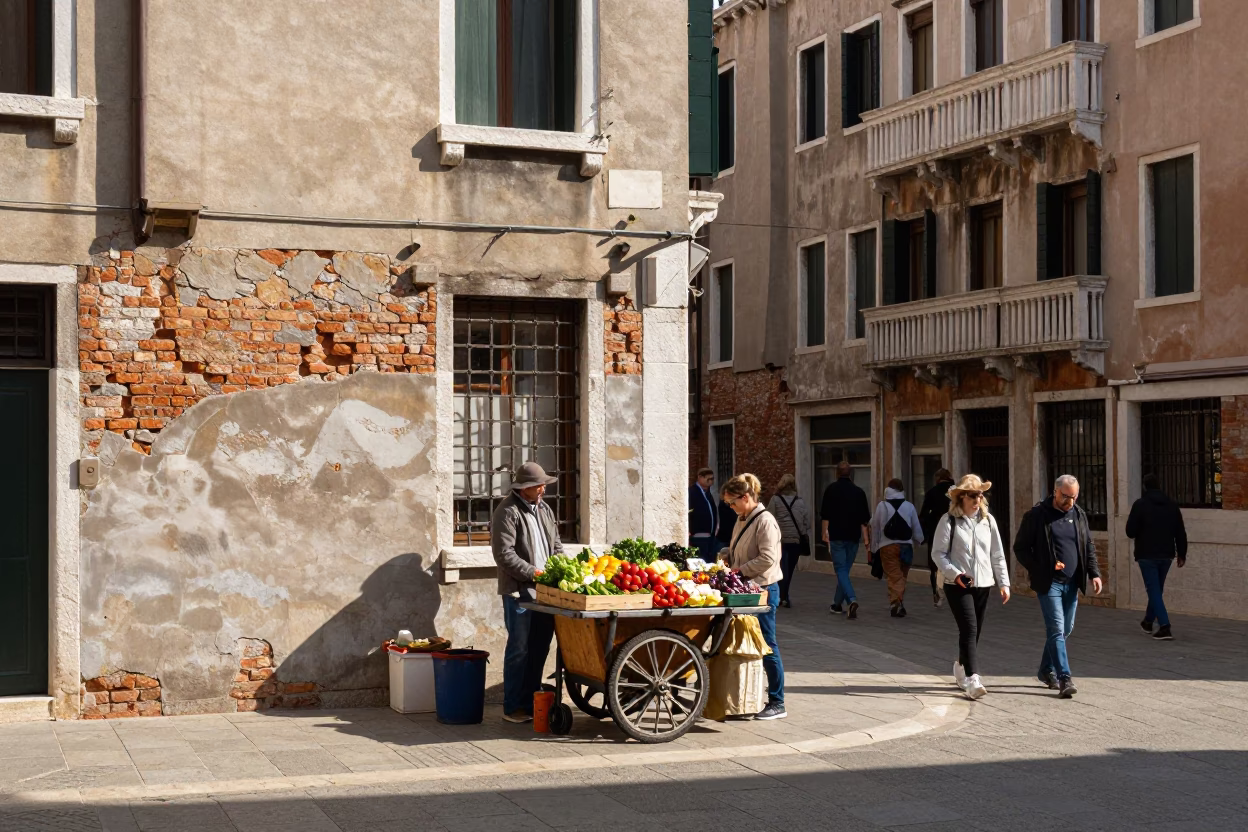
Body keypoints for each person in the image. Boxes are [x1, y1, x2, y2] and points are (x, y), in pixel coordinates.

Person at [1013, 474, 1103, 699]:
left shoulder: (1079, 514)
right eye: (1065, 497)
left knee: (1065, 629)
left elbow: (1087, 546)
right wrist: (1042, 567)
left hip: (1072, 583)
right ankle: (1064, 678)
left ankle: (1045, 670)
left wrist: (1095, 573)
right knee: (1055, 629)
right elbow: (1020, 548)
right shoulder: (1036, 516)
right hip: (1049, 583)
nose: (1069, 502)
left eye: (1073, 497)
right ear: (1055, 492)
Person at [490, 461, 563, 723]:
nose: (543, 488)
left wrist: (561, 569)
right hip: (519, 592)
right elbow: (504, 555)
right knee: (519, 648)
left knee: (540, 646)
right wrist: (534, 573)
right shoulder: (506, 512)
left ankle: (533, 699)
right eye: (538, 485)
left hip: (546, 592)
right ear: (524, 488)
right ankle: (513, 707)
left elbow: (556, 545)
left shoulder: (544, 509)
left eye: (543, 484)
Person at [930, 474, 1010, 700]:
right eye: (973, 495)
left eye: (980, 495)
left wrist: (1004, 582)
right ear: (961, 497)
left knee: (974, 631)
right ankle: (973, 678)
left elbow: (998, 554)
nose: (978, 499)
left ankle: (960, 667)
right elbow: (938, 554)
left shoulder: (989, 521)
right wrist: (955, 574)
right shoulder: (948, 521)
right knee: (969, 628)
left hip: (983, 583)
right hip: (957, 585)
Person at [721, 473, 787, 720]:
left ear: (746, 497)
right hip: (746, 591)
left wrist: (739, 570)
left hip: (764, 590)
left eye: (732, 502)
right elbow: (740, 548)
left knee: (768, 644)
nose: (730, 507)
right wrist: (726, 555)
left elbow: (768, 558)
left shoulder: (765, 521)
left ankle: (778, 702)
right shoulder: (742, 518)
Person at [1125, 474, 1188, 641]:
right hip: (1167, 554)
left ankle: (1165, 626)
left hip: (1146, 554)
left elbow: (1130, 531)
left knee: (1153, 590)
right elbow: (1180, 531)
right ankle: (1147, 621)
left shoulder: (1140, 505)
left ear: (1145, 487)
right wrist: (1182, 554)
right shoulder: (1172, 505)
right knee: (1156, 589)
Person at [820, 461, 871, 620]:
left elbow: (825, 515)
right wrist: (866, 538)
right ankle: (836, 604)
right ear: (851, 474)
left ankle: (851, 599)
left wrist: (824, 533)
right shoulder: (859, 492)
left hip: (837, 535)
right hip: (853, 536)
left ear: (837, 473)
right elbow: (864, 519)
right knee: (844, 571)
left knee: (841, 570)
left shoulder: (831, 490)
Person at [869, 478, 925, 618]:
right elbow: (916, 527)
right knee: (902, 576)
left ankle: (896, 602)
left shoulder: (882, 506)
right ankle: (898, 602)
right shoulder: (909, 506)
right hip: (906, 545)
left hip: (887, 546)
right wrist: (919, 541)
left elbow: (875, 527)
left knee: (894, 576)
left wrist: (873, 546)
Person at [767, 474, 812, 608]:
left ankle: (781, 596)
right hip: (795, 541)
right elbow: (806, 523)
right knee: (789, 571)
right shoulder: (800, 501)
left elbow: (769, 519)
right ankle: (785, 597)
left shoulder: (775, 500)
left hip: (779, 541)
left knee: (780, 569)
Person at [918, 469, 956, 608]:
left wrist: (925, 531)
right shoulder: (957, 492)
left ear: (937, 478)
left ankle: (938, 594)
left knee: (935, 566)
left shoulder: (932, 492)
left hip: (936, 533)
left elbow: (923, 515)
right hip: (956, 533)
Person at [688, 468, 721, 562]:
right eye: (708, 479)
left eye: (712, 479)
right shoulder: (692, 492)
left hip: (710, 536)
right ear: (700, 477)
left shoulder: (708, 493)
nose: (710, 481)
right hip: (698, 536)